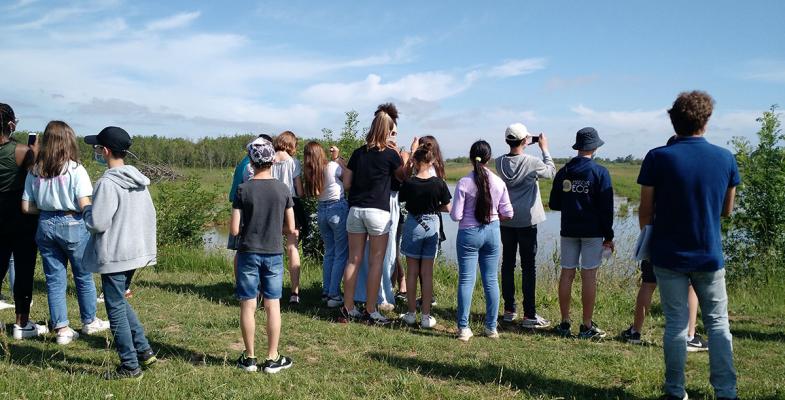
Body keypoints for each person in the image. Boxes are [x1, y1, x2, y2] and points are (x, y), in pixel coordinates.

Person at [638, 91, 739, 400]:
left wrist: (650, 235)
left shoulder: (658, 157)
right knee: (718, 324)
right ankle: (726, 391)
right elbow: (727, 210)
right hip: (708, 253)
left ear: (673, 120)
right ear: (706, 121)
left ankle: (674, 390)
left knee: (676, 325)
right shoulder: (725, 158)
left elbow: (645, 211)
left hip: (668, 255)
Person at [21, 121, 110, 345]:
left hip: (44, 224)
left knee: (54, 279)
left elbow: (25, 207)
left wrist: (46, 207)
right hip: (73, 223)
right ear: (68, 140)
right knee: (82, 274)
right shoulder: (74, 169)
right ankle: (89, 320)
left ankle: (61, 328)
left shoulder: (36, 169)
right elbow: (83, 203)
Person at [82, 126, 157, 379]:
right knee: (118, 300)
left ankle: (129, 365)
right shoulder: (139, 180)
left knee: (114, 308)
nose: (96, 152)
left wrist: (85, 209)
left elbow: (98, 223)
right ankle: (144, 351)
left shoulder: (106, 183)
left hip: (114, 254)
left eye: (97, 148)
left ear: (104, 151)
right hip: (135, 251)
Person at [621, 137, 708, 351]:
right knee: (690, 286)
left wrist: (646, 233)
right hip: (688, 239)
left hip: (658, 236)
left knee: (648, 284)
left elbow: (645, 208)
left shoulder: (658, 171)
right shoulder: (692, 173)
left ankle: (636, 331)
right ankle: (689, 336)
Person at [231, 137, 294, 373]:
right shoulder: (283, 189)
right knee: (272, 304)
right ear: (272, 161)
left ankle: (249, 358)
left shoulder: (243, 189)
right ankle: (272, 357)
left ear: (251, 161)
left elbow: (235, 230)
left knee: (248, 305)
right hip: (274, 252)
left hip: (248, 251)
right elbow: (290, 227)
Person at [340, 103, 405, 325]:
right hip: (378, 212)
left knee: (353, 260)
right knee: (376, 261)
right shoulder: (391, 155)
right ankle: (370, 310)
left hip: (355, 210)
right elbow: (402, 177)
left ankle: (348, 307)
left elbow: (347, 184)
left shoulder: (358, 153)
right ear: (387, 130)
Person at [549, 127, 614, 340]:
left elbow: (554, 203)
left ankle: (565, 322)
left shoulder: (564, 171)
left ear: (578, 147)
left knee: (567, 274)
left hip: (568, 229)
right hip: (593, 232)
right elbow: (606, 208)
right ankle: (586, 325)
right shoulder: (600, 172)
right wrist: (609, 236)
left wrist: (571, 201)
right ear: (594, 148)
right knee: (589, 276)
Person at [451, 140, 513, 342]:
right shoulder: (499, 182)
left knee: (467, 280)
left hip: (468, 233)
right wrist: (495, 216)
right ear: (489, 158)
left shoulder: (463, 182)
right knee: (491, 280)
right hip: (492, 232)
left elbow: (455, 215)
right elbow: (508, 213)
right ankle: (491, 327)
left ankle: (463, 328)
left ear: (471, 158)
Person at [495, 123, 556, 328]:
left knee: (507, 265)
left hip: (506, 220)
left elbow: (513, 158)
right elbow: (551, 172)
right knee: (529, 267)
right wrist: (544, 148)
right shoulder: (533, 161)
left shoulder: (499, 162)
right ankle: (530, 314)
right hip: (528, 221)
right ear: (524, 141)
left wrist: (524, 142)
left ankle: (509, 310)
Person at [0, 103, 47, 339]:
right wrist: (34, 150)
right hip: (20, 219)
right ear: (10, 124)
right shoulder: (20, 151)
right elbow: (38, 173)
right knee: (24, 268)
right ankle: (22, 323)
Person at [399, 141, 451, 329]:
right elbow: (448, 207)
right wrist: (434, 206)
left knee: (412, 272)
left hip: (413, 224)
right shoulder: (439, 183)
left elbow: (401, 199)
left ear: (415, 160)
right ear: (432, 161)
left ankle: (411, 313)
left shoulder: (409, 183)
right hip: (432, 225)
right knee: (427, 273)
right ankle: (426, 316)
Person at [302, 141, 348, 308]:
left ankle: (326, 291)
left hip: (321, 211)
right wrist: (338, 158)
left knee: (329, 252)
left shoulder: (309, 172)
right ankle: (334, 294)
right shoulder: (331, 167)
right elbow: (348, 179)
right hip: (337, 208)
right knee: (341, 253)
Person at [271, 131, 304, 305]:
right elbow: (298, 189)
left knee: (271, 248)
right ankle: (294, 292)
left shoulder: (270, 159)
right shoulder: (293, 162)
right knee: (292, 248)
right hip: (290, 205)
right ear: (291, 144)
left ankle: (269, 288)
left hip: (271, 205)